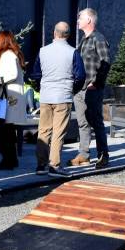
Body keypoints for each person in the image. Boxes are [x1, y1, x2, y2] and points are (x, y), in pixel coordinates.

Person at [28, 21, 85, 178]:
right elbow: (80, 76)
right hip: (63, 96)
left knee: (44, 130)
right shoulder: (73, 52)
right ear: (68, 35)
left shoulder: (43, 51)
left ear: (54, 33)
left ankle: (41, 165)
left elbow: (35, 74)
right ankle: (55, 165)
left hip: (46, 96)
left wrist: (41, 88)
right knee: (58, 132)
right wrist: (73, 90)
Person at [70, 8, 111, 170]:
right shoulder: (83, 40)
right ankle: (84, 154)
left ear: (89, 20)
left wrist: (97, 83)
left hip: (92, 89)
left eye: (80, 18)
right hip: (79, 89)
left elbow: (106, 62)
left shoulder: (98, 39)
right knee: (82, 122)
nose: (77, 20)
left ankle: (103, 155)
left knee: (96, 122)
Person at [0, 30, 30, 170]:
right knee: (8, 130)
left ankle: (7, 161)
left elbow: (11, 74)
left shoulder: (7, 55)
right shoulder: (14, 55)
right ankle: (11, 160)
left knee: (5, 130)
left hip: (9, 98)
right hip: (12, 98)